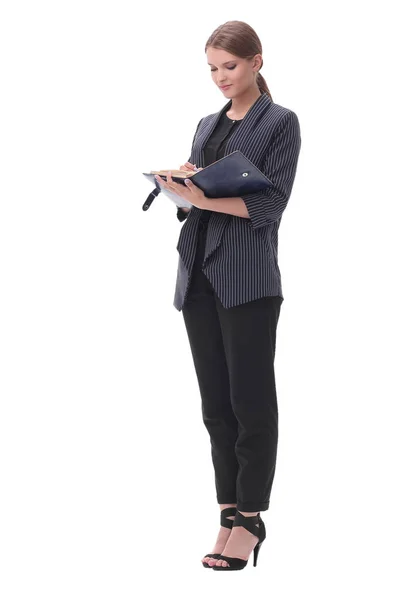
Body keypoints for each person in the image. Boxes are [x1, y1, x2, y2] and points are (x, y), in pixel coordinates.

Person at [155, 20, 301, 571]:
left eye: (230, 66)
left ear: (257, 62)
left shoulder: (280, 123)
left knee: (251, 404)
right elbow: (201, 204)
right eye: (213, 68)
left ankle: (253, 520)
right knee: (216, 405)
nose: (220, 77)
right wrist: (180, 188)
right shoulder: (206, 123)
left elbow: (268, 209)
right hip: (197, 275)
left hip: (247, 281)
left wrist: (204, 196)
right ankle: (227, 511)